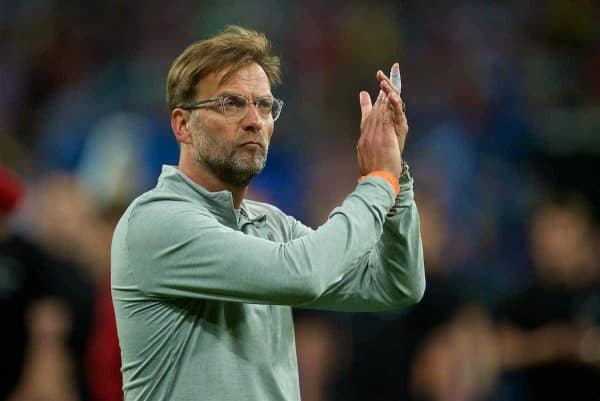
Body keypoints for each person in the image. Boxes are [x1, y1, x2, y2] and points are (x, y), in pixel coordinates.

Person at [111, 25, 425, 401]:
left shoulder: (269, 225)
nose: (254, 120)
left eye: (264, 105)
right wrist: (378, 182)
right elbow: (302, 274)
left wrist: (397, 183)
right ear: (183, 125)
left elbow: (396, 284)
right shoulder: (156, 221)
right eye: (231, 103)